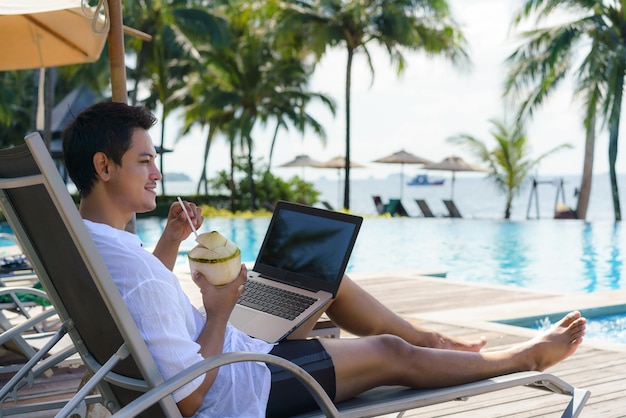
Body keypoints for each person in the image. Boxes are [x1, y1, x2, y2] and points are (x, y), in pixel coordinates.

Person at [62, 102, 587, 417]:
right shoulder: (123, 263)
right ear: (104, 166)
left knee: (321, 280)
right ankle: (520, 359)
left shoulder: (90, 242)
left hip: (228, 350)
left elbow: (140, 296)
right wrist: (221, 308)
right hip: (240, 383)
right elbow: (193, 400)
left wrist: (173, 243)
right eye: (145, 160)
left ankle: (432, 341)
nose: (156, 171)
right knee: (386, 351)